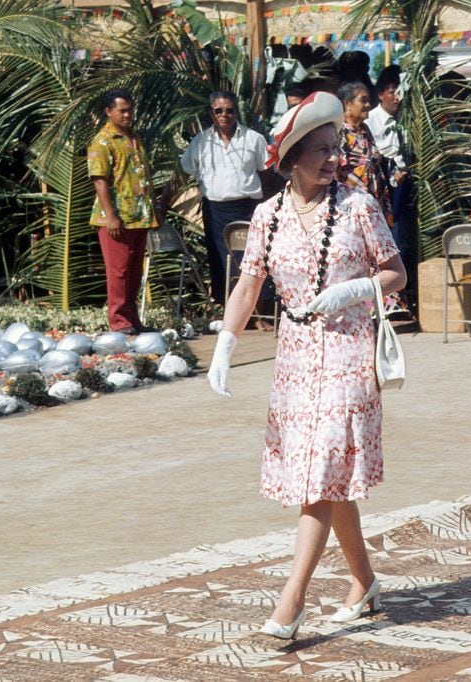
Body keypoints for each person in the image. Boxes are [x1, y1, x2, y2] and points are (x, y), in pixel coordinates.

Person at [206, 91, 407, 638]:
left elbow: (396, 273)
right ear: (291, 157)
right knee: (328, 476)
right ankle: (363, 581)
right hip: (294, 361)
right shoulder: (267, 216)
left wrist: (355, 290)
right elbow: (248, 285)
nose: (332, 158)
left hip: (347, 356)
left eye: (334, 147)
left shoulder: (358, 205)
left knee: (320, 475)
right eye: (318, 150)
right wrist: (225, 346)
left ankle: (290, 601)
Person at [179, 91, 270, 310]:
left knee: (252, 261)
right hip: (216, 210)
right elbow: (185, 169)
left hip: (248, 208)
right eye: (219, 111)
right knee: (220, 261)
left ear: (236, 112)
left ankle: (256, 313)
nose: (224, 115)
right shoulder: (201, 142)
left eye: (229, 110)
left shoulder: (253, 139)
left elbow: (267, 173)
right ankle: (226, 310)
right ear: (211, 114)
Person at [87, 88, 162, 334]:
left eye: (130, 110)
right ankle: (119, 322)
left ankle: (132, 320)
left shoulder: (134, 138)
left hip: (138, 217)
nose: (128, 115)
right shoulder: (103, 141)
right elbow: (100, 180)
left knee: (133, 272)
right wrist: (110, 216)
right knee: (118, 272)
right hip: (116, 218)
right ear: (109, 112)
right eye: (122, 111)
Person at [366, 69, 414, 274]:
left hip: (406, 184)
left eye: (399, 92)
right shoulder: (371, 122)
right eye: (392, 92)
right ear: (380, 95)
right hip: (385, 188)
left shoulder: (405, 120)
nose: (397, 98)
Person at [336, 81, 393, 228]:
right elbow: (335, 171)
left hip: (373, 204)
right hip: (351, 207)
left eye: (368, 100)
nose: (368, 105)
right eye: (363, 100)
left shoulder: (364, 130)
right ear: (348, 104)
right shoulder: (340, 132)